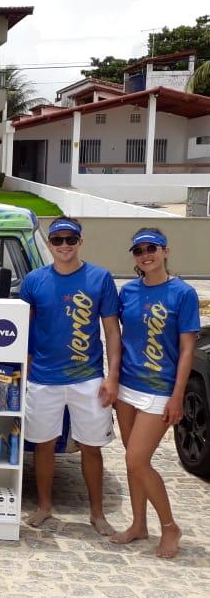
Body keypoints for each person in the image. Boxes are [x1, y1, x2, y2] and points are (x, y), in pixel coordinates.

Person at [20, 216, 121, 534]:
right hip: (42, 378)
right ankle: (45, 507)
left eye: (70, 240)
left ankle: (97, 513)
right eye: (58, 240)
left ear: (80, 242)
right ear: (49, 244)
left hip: (87, 377)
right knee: (43, 445)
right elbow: (24, 329)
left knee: (91, 447)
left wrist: (112, 375)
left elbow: (111, 330)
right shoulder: (34, 280)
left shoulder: (100, 277)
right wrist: (23, 369)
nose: (64, 246)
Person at [109, 228, 198, 559]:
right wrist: (113, 378)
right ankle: (138, 525)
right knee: (133, 463)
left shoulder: (182, 293)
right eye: (138, 250)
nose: (145, 254)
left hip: (160, 390)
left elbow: (187, 351)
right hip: (128, 387)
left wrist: (178, 397)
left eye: (151, 248)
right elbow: (114, 333)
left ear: (165, 251)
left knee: (137, 459)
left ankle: (170, 526)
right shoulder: (128, 292)